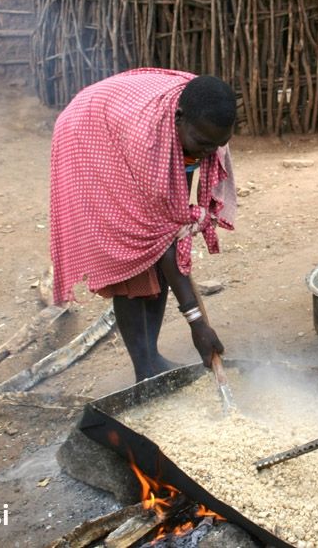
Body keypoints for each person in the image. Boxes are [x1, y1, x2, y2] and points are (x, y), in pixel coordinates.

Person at [50, 68, 237, 382]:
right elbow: (161, 234)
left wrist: (175, 218)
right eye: (203, 144)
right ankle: (146, 367)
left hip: (126, 119)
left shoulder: (206, 132)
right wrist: (197, 323)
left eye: (215, 147)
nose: (208, 154)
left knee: (162, 241)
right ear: (178, 118)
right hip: (88, 132)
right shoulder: (148, 143)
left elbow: (173, 216)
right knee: (135, 252)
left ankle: (151, 357)